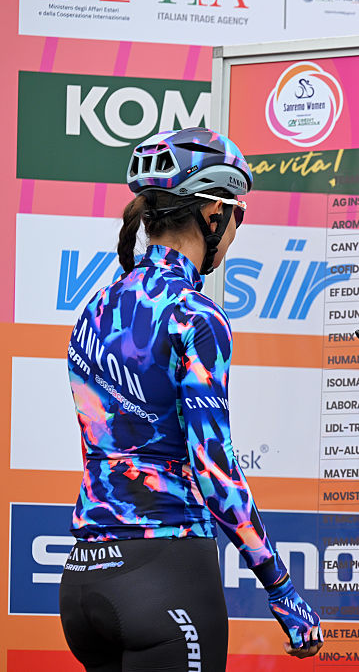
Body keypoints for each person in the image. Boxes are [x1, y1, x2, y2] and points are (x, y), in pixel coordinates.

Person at [60, 127, 323, 671]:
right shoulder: (195, 315)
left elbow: (102, 443)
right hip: (163, 573)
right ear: (212, 214)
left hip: (82, 580)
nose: (236, 231)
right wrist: (280, 587)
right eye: (238, 214)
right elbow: (214, 467)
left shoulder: (94, 308)